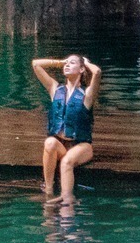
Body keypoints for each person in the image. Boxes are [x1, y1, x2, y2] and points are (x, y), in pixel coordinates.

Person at [32, 54, 101, 203]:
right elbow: (36, 64)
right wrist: (59, 62)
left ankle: (67, 199)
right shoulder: (55, 89)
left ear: (81, 69)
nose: (67, 65)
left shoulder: (87, 94)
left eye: (72, 63)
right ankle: (49, 192)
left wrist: (87, 63)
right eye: (66, 63)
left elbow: (97, 72)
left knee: (66, 162)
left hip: (81, 146)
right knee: (49, 142)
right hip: (61, 145)